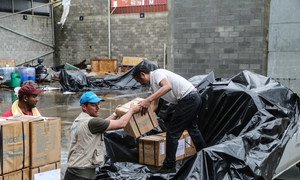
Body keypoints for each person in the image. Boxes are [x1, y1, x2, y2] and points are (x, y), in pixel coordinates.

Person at [132, 65, 206, 173]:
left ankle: (169, 166)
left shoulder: (157, 74)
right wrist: (145, 120)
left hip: (188, 99)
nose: (140, 83)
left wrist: (148, 99)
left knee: (172, 133)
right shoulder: (153, 85)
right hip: (192, 98)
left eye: (139, 80)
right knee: (192, 129)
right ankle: (204, 154)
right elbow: (155, 105)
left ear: (143, 74)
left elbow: (167, 86)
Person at [64, 91, 141, 180]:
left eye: (98, 104)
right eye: (93, 105)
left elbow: (103, 124)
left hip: (72, 172)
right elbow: (122, 123)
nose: (98, 108)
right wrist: (132, 110)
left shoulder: (80, 120)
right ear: (84, 107)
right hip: (82, 176)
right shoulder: (92, 122)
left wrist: (115, 114)